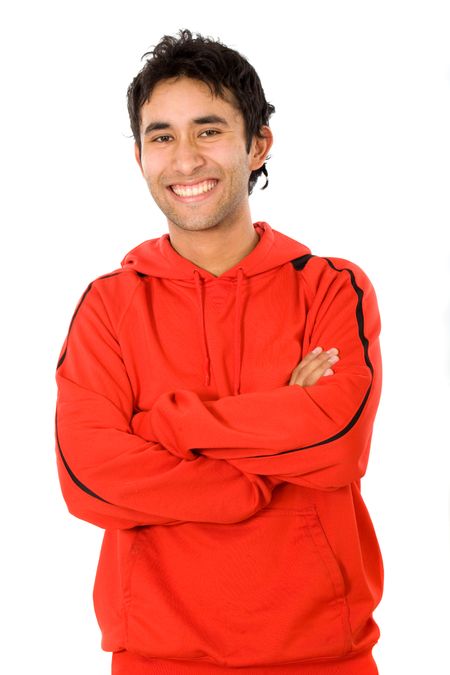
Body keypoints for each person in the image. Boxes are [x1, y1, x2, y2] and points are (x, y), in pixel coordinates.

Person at [54, 28, 384, 675]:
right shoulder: (109, 306)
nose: (185, 159)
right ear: (140, 155)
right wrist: (270, 442)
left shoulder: (330, 285)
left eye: (208, 130)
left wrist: (164, 426)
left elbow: (338, 439)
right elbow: (90, 476)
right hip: (157, 656)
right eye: (162, 136)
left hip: (324, 654)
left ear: (257, 143)